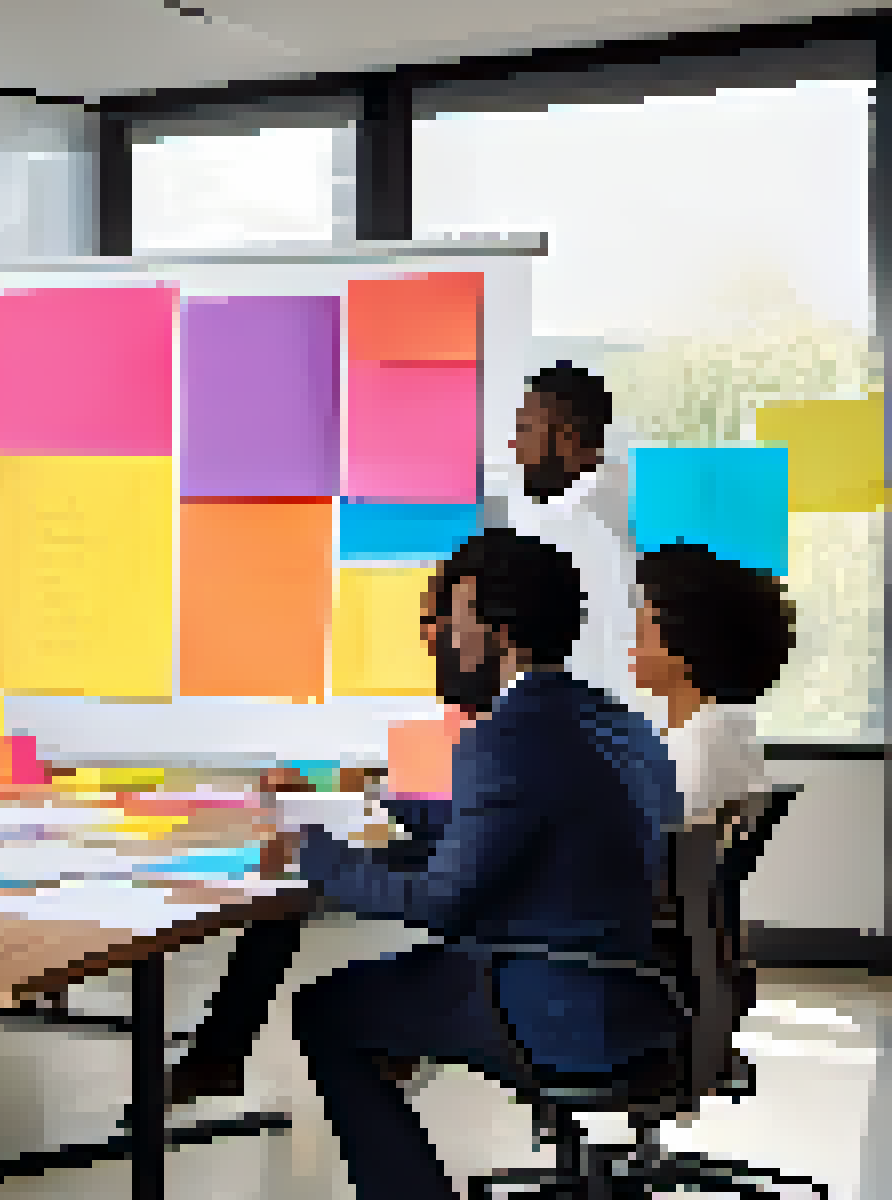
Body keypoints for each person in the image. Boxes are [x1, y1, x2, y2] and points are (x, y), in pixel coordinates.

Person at [290, 529, 683, 1200]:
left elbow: (443, 903)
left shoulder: (504, 739)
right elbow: (522, 818)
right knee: (395, 998)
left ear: (500, 633)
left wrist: (311, 854)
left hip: (557, 1005)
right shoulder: (617, 723)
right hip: (643, 992)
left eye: (454, 619)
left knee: (326, 1010)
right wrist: (385, 802)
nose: (441, 639)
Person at [167, 561, 477, 1108]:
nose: (426, 635)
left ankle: (405, 1030)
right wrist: (330, 794)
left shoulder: (513, 717)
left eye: (437, 619)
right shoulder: (475, 700)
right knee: (293, 884)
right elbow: (446, 808)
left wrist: (337, 824)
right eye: (424, 619)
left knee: (306, 875)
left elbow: (465, 835)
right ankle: (218, 1059)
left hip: (492, 891)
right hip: (459, 848)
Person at [497, 361, 646, 719]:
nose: (514, 444)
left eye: (526, 429)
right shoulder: (585, 509)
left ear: (568, 437)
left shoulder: (597, 520)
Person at [630, 542, 796, 829]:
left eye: (644, 627)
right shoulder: (729, 738)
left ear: (683, 641)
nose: (632, 635)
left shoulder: (685, 762)